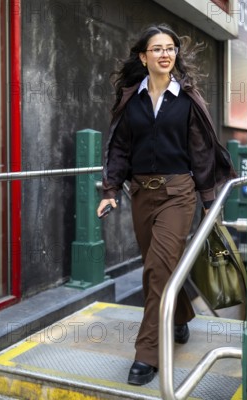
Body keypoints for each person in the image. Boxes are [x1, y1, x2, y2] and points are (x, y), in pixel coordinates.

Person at [96, 24, 237, 386]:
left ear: (175, 55)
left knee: (156, 271)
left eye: (170, 48)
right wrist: (111, 189)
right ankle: (179, 315)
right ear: (143, 57)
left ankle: (148, 354)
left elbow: (202, 153)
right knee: (157, 267)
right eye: (156, 49)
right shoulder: (132, 99)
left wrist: (210, 202)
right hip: (141, 194)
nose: (164, 54)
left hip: (178, 194)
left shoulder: (187, 99)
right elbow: (120, 147)